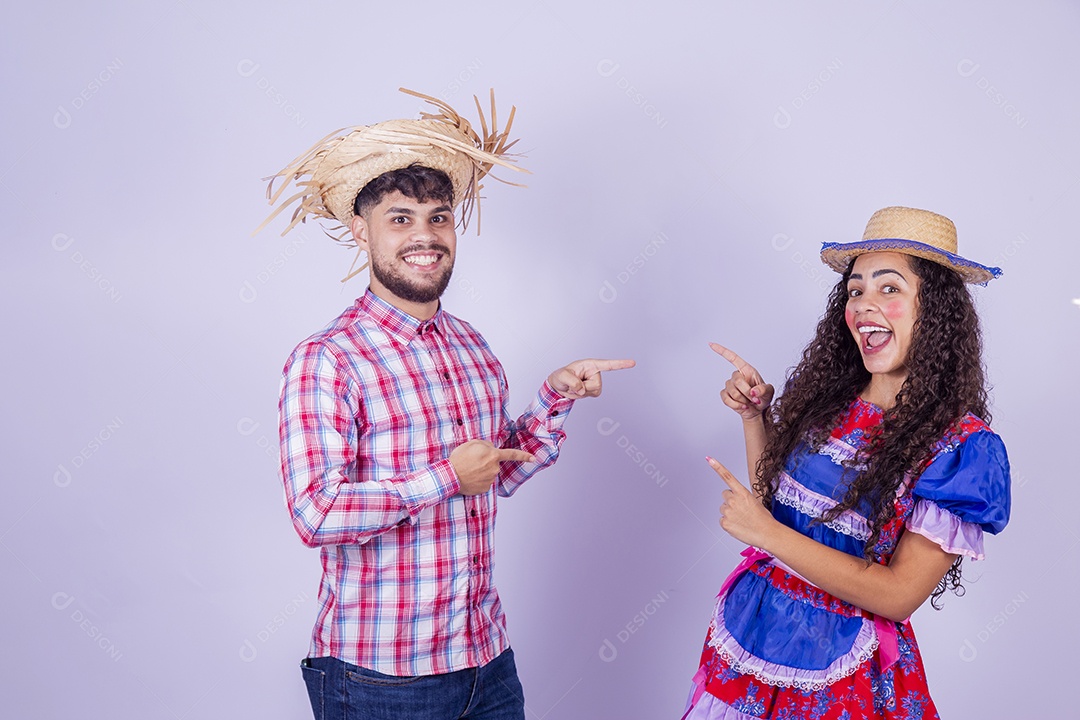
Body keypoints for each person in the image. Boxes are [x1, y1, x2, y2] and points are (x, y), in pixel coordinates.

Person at [259, 89, 634, 720]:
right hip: (379, 675)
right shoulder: (328, 358)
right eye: (400, 219)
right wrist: (444, 479)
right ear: (361, 231)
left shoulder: (471, 345)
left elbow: (496, 472)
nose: (425, 236)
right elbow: (316, 514)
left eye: (438, 217)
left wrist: (556, 397)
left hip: (487, 661)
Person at [682, 206, 1011, 719]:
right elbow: (778, 502)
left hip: (843, 676)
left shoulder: (962, 447)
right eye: (855, 290)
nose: (864, 305)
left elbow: (899, 595)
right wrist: (754, 417)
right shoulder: (829, 399)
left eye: (889, 289)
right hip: (754, 632)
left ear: (936, 310)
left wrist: (765, 534)